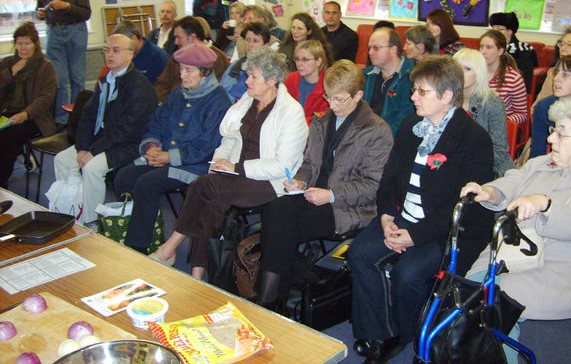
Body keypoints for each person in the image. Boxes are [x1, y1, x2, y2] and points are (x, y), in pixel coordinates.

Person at [349, 56, 495, 364]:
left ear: (447, 97)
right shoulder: (411, 125)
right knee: (360, 252)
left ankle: (406, 334)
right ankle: (381, 331)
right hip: (403, 215)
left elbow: (461, 207)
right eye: (414, 89)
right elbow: (389, 177)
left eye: (422, 92)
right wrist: (387, 216)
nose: (413, 96)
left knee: (409, 274)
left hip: (445, 229)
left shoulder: (474, 139)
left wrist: (414, 236)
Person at [462, 96, 571, 363]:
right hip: (511, 256)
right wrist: (491, 191)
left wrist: (546, 205)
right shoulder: (541, 164)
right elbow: (514, 180)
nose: (550, 140)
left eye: (560, 132)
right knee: (465, 295)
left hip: (559, 270)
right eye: (553, 131)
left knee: (488, 303)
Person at [148, 47, 308, 279]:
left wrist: (236, 168)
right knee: (207, 192)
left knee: (207, 189)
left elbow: (281, 165)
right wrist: (219, 161)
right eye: (247, 76)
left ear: (272, 79)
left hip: (270, 182)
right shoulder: (248, 102)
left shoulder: (291, 112)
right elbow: (229, 138)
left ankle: (172, 249)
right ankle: (196, 272)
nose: (247, 82)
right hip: (236, 174)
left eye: (253, 76)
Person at [258, 60, 393, 309]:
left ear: (358, 95)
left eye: (340, 99)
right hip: (312, 195)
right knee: (274, 210)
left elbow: (373, 186)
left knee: (282, 227)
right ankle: (275, 299)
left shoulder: (377, 130)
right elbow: (310, 163)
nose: (333, 105)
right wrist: (300, 179)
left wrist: (330, 195)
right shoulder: (322, 121)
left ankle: (270, 299)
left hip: (345, 206)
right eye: (329, 97)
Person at [115, 44, 230, 253]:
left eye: (188, 70)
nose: (182, 75)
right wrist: (152, 146)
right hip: (166, 156)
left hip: (196, 166)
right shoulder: (179, 93)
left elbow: (207, 146)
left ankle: (137, 246)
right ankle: (141, 228)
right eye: (181, 69)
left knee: (147, 184)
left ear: (204, 73)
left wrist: (169, 156)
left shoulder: (218, 100)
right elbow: (156, 123)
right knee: (123, 177)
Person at [53, 34, 156, 225]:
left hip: (129, 144)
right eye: (107, 50)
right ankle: (72, 207)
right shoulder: (105, 80)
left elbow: (127, 130)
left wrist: (92, 151)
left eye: (116, 50)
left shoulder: (139, 86)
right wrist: (82, 148)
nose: (110, 55)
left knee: (92, 168)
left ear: (130, 54)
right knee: (62, 160)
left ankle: (91, 222)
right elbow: (87, 117)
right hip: (103, 140)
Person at [36, 0, 91, 127]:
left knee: (77, 78)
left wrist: (67, 5)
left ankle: (76, 117)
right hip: (54, 32)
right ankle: (60, 119)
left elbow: (86, 13)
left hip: (76, 31)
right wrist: (39, 14)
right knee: (58, 80)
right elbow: (37, 12)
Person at [0, 22, 57, 188]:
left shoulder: (46, 67)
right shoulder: (7, 63)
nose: (23, 48)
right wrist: (11, 72)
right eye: (19, 44)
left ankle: (2, 185)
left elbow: (46, 99)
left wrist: (25, 114)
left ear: (36, 44)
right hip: (7, 114)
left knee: (5, 138)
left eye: (27, 43)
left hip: (34, 118)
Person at [454, 48, 514, 176]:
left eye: (467, 69)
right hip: (457, 165)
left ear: (479, 73)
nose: (460, 73)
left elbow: (500, 150)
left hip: (491, 167)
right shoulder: (448, 99)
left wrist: (467, 166)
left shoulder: (493, 103)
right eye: (457, 68)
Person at [153, 16, 228, 103]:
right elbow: (162, 84)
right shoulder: (177, 56)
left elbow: (211, 93)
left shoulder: (216, 59)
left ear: (192, 37)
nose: (176, 42)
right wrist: (165, 104)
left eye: (179, 37)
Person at [363, 27, 415, 136]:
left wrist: (380, 140)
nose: (370, 52)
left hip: (390, 140)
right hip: (364, 136)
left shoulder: (411, 77)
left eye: (376, 48)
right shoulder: (366, 75)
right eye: (369, 48)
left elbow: (404, 120)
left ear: (393, 49)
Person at [480, 29, 528, 124]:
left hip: (500, 129)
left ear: (500, 51)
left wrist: (501, 122)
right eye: (481, 47)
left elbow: (522, 114)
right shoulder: (474, 72)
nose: (483, 51)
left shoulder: (513, 78)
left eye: (489, 47)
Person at [219, 22, 271, 103]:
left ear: (266, 45)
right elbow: (221, 90)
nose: (250, 44)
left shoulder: (271, 70)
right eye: (248, 40)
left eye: (255, 41)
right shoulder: (234, 66)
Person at [489, 11, 538, 93]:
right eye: (493, 29)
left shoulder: (522, 50)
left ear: (510, 31)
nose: (495, 33)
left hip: (509, 90)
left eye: (500, 29)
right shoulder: (488, 47)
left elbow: (524, 79)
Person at [284, 40, 330, 124]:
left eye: (305, 60)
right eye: (297, 59)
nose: (299, 64)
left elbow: (323, 116)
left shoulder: (329, 84)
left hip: (315, 132)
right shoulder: (290, 79)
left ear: (318, 61)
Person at [112, 20, 168, 84]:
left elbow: (163, 88)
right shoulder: (130, 56)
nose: (122, 48)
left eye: (123, 43)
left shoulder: (158, 57)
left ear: (133, 38)